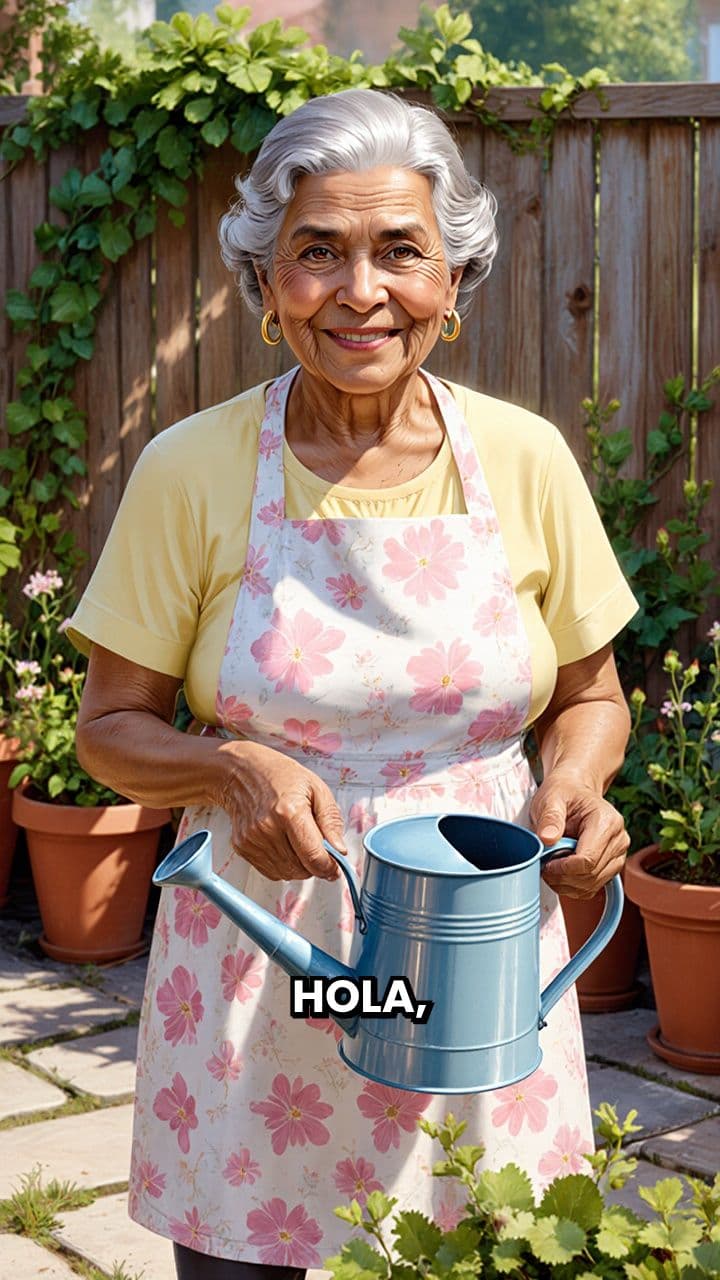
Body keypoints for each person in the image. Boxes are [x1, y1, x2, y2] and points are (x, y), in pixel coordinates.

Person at [68, 88, 638, 1280]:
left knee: (497, 1244)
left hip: (476, 950)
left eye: (400, 252)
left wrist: (578, 787)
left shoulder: (526, 459)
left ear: (454, 280)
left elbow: (593, 695)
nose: (360, 290)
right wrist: (228, 763)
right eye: (316, 252)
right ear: (268, 284)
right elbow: (109, 729)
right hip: (262, 951)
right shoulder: (193, 468)